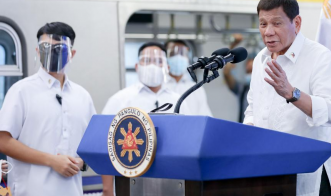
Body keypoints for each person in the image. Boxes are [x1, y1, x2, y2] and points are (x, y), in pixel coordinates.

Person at [244, 0, 331, 196]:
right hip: (269, 172)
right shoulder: (261, 60)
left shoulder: (319, 57)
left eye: (276, 23)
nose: (268, 32)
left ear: (296, 23)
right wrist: (249, 131)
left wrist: (291, 93)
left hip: (310, 174)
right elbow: (252, 108)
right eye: (263, 24)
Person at [0, 22, 96, 196]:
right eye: (45, 48)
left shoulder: (82, 96)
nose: (52, 53)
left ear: (72, 54)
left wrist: (82, 162)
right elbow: (3, 140)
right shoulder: (21, 91)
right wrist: (52, 161)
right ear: (37, 52)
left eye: (60, 49)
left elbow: (92, 144)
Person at [101, 41, 189, 196]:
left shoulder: (180, 101)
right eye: (147, 60)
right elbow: (105, 145)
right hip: (129, 183)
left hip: (174, 184)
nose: (152, 65)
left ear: (167, 68)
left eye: (158, 61)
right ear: (137, 66)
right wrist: (108, 189)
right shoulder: (120, 100)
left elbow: (187, 142)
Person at [165, 39, 212, 116]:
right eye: (173, 53)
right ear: (165, 57)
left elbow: (205, 118)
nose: (178, 57)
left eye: (182, 53)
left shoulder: (196, 89)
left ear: (188, 58)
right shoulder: (158, 87)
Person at [223, 34, 255, 123]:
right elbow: (226, 73)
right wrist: (233, 47)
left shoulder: (268, 89)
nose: (250, 74)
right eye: (248, 71)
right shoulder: (242, 89)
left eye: (253, 71)